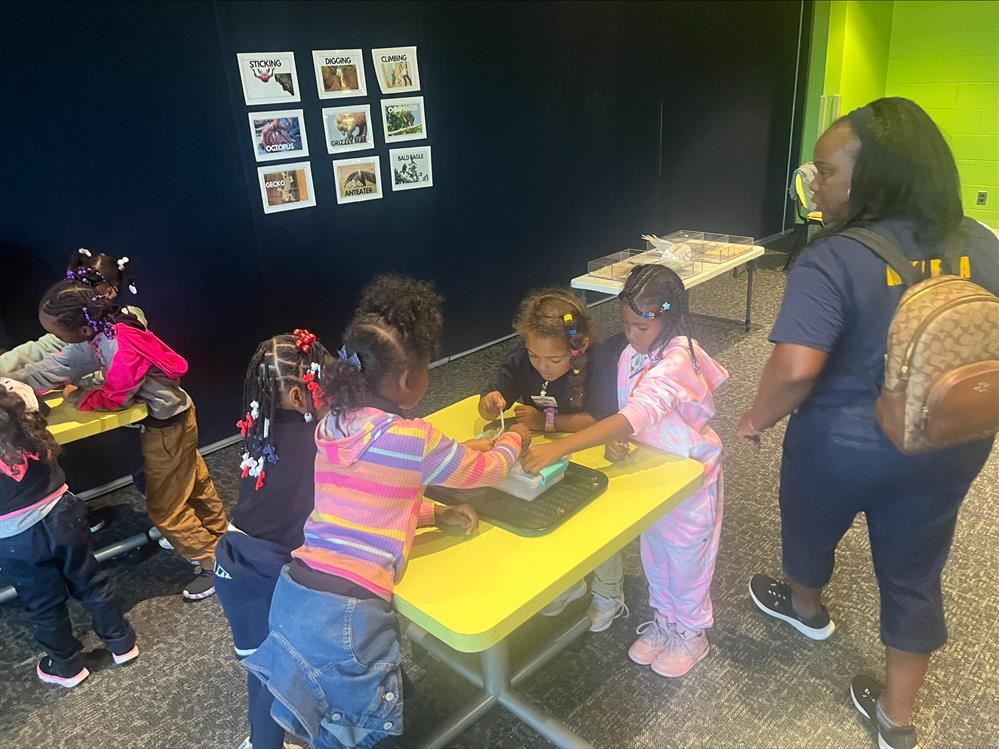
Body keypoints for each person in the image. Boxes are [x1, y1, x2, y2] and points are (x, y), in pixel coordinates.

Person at [738, 97, 999, 749]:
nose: (816, 185)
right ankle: (894, 721)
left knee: (807, 521)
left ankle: (804, 610)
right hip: (948, 441)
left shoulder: (831, 258)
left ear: (874, 176)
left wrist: (754, 416)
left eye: (825, 171)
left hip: (841, 445)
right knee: (914, 572)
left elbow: (795, 370)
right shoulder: (981, 240)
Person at [243, 275, 531, 749]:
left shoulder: (332, 425)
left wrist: (433, 516)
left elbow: (361, 506)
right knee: (368, 734)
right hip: (351, 616)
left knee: (330, 719)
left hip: (296, 594)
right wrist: (515, 437)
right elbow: (488, 470)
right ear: (406, 379)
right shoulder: (412, 440)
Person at [523, 264, 728, 678]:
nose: (631, 335)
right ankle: (666, 619)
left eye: (641, 327)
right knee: (655, 555)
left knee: (688, 560)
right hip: (652, 475)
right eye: (626, 325)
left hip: (690, 478)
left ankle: (691, 631)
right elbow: (629, 414)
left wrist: (561, 445)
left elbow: (639, 411)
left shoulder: (677, 359)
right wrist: (623, 441)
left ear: (669, 316)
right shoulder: (634, 355)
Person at [7, 277, 227, 600]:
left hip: (167, 427)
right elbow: (57, 366)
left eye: (57, 334)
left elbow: (118, 395)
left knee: (165, 507)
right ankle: (226, 541)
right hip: (175, 419)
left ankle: (212, 562)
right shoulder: (102, 333)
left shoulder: (116, 343)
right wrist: (9, 381)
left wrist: (80, 396)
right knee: (194, 483)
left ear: (81, 330)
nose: (56, 340)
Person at [480, 288, 628, 630]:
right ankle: (568, 582)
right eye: (534, 356)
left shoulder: (602, 364)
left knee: (596, 523)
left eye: (554, 360)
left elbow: (603, 420)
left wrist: (545, 422)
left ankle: (608, 592)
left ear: (580, 347)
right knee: (549, 520)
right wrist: (489, 402)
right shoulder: (524, 359)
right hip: (544, 459)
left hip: (591, 454)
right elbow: (492, 394)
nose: (541, 367)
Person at [214, 331, 334, 749]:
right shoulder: (311, 442)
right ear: (302, 398)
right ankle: (263, 743)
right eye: (329, 387)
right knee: (273, 669)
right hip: (255, 571)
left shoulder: (267, 424)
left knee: (270, 662)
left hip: (242, 560)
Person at [0, 378, 139, 687]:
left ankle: (66, 666)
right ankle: (122, 643)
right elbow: (29, 394)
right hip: (62, 512)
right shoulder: (20, 400)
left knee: (43, 603)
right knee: (91, 580)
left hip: (14, 537)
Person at [1, 248, 144, 375]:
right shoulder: (70, 322)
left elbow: (121, 373)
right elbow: (39, 349)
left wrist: (81, 381)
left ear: (110, 292)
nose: (75, 291)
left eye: (86, 287)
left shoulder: (127, 324)